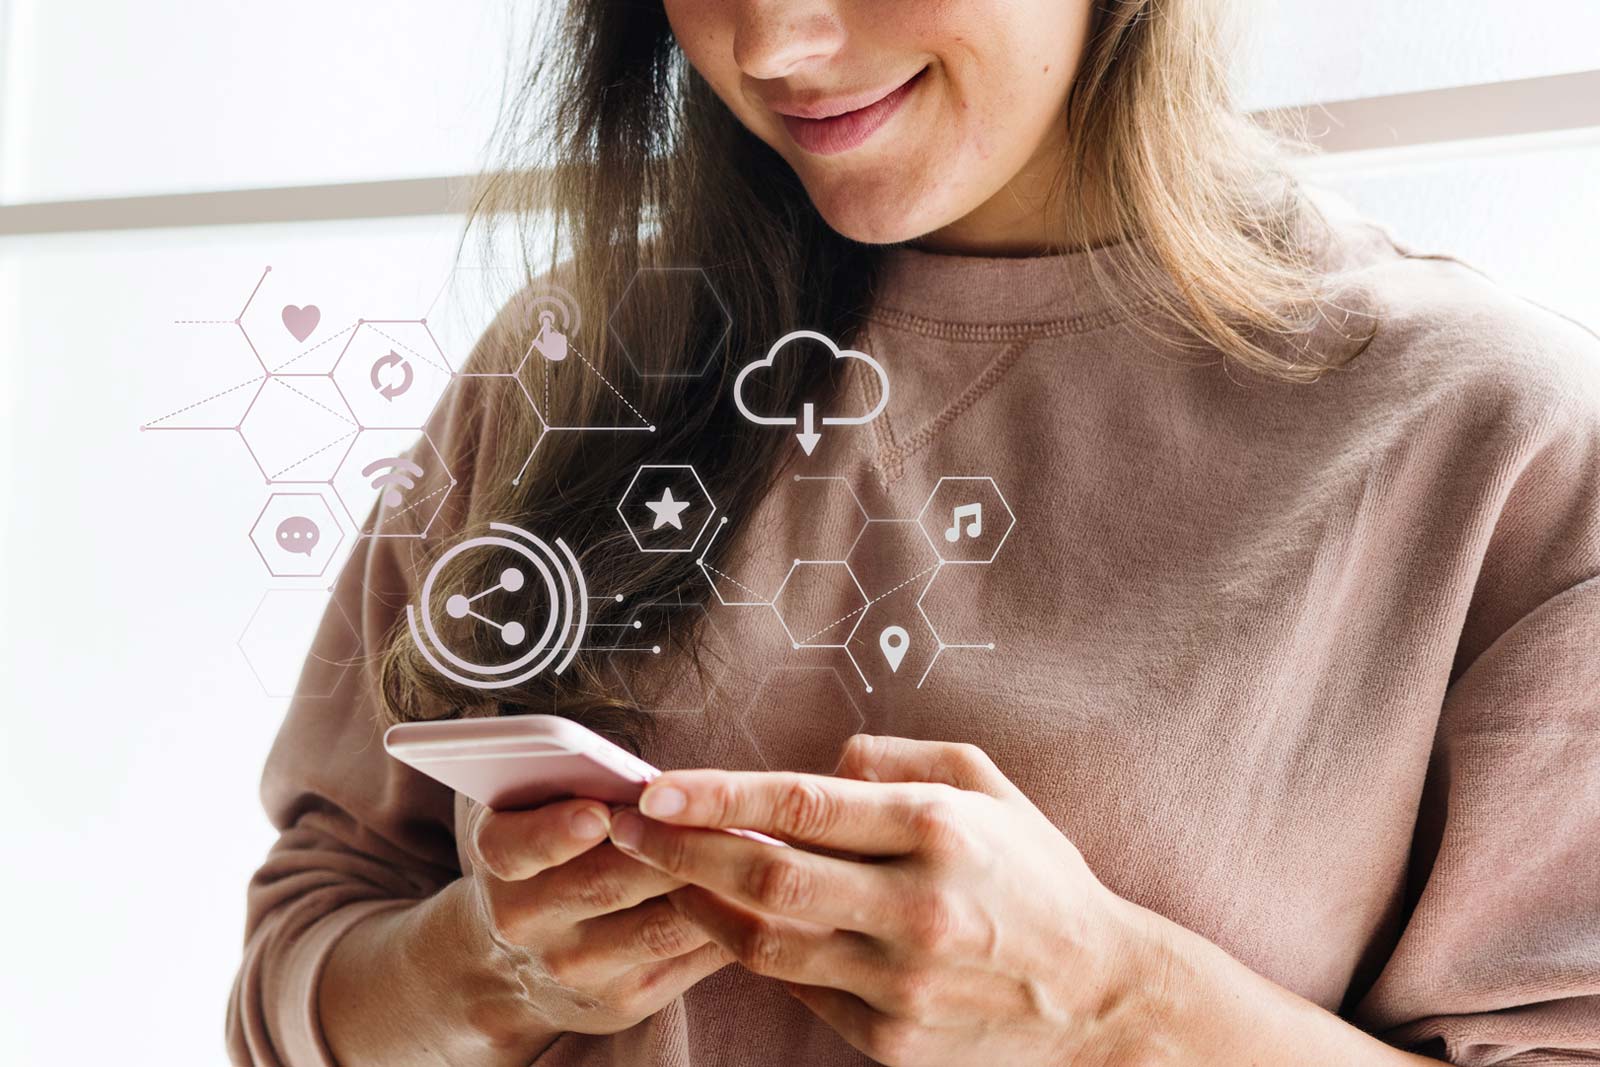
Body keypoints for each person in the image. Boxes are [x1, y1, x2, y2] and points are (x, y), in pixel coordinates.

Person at [227, 1, 1600, 1065]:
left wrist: (1118, 1011)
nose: (776, 43)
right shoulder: (570, 367)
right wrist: (490, 969)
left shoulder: (1498, 441)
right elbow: (299, 966)